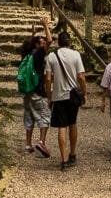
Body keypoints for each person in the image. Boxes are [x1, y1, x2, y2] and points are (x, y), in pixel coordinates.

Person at [44, 30, 87, 170]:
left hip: (58, 96)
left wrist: (49, 97)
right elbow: (81, 76)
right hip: (73, 95)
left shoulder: (51, 56)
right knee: (73, 123)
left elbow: (48, 78)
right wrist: (84, 93)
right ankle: (73, 154)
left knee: (62, 127)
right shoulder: (75, 55)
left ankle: (63, 160)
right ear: (69, 42)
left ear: (58, 42)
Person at [18, 16, 52, 157]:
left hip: (27, 91)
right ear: (38, 45)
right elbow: (50, 41)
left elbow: (31, 43)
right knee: (44, 116)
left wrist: (33, 35)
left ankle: (28, 145)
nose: (45, 44)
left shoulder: (26, 54)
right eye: (41, 42)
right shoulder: (38, 54)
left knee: (29, 116)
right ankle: (41, 142)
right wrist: (45, 26)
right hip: (37, 91)